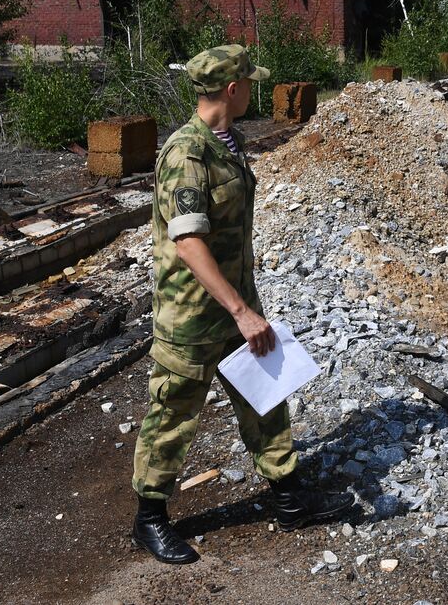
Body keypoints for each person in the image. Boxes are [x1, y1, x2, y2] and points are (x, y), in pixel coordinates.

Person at [131, 44, 354, 564]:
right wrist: (241, 310)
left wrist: (243, 304)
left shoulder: (228, 141)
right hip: (194, 316)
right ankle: (149, 518)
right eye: (250, 81)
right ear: (232, 90)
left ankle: (288, 498)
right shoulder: (187, 153)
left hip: (236, 303)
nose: (254, 88)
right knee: (172, 415)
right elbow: (188, 242)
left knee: (266, 398)